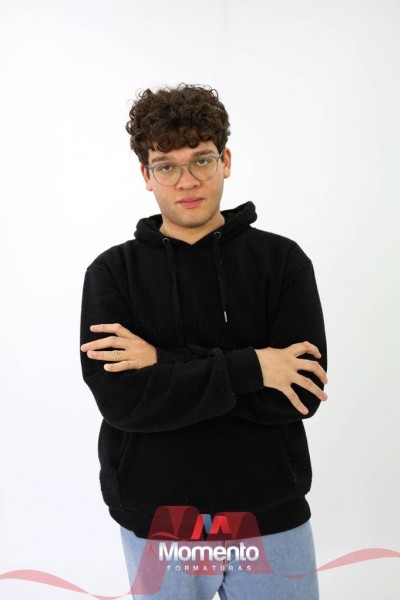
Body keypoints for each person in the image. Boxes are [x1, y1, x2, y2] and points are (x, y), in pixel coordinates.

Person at [79, 83, 328, 599]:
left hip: (268, 516)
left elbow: (300, 394)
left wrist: (160, 364)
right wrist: (254, 367)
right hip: (161, 522)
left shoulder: (282, 263)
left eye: (202, 160)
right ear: (146, 176)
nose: (187, 180)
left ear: (226, 161)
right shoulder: (112, 274)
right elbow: (124, 401)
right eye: (166, 166)